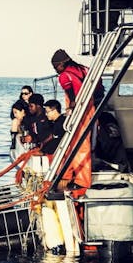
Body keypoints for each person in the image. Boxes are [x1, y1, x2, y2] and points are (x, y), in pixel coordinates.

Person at [51, 49, 94, 191]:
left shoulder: (64, 76)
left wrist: (70, 108)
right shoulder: (84, 69)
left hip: (79, 111)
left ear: (62, 64)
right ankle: (69, 173)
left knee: (79, 145)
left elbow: (71, 94)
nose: (56, 70)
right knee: (79, 142)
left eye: (56, 67)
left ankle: (82, 181)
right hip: (90, 108)